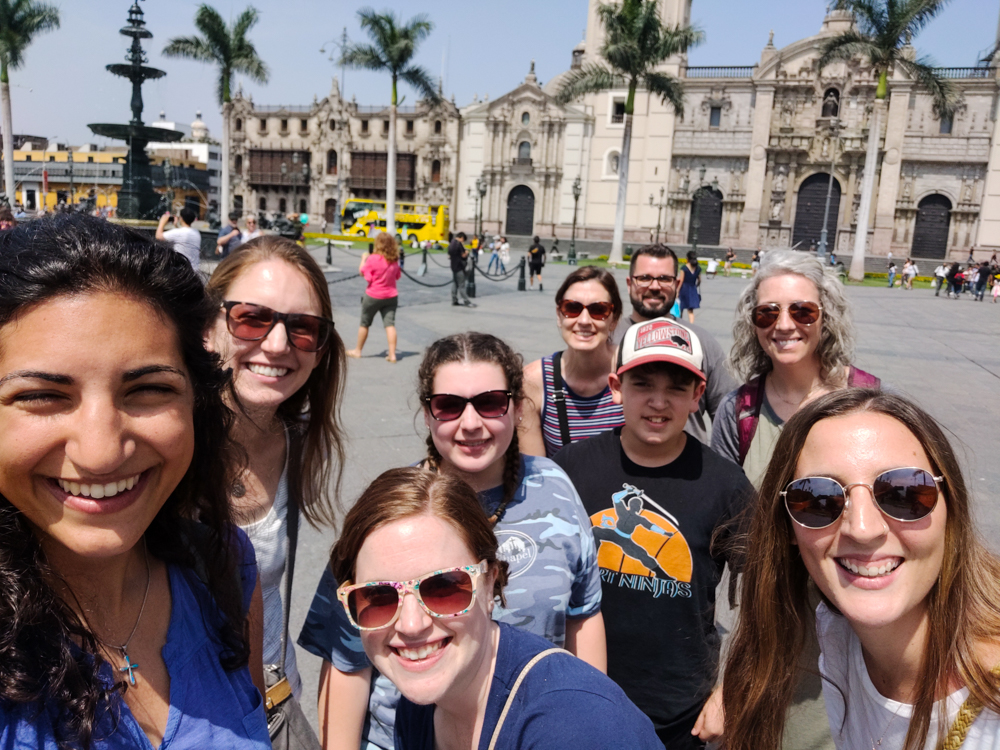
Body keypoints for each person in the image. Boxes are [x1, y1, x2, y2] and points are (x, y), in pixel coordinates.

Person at [0, 214, 270, 748]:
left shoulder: (223, 567)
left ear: (196, 399)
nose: (100, 453)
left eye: (147, 389)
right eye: (42, 396)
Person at [299, 332, 607, 750]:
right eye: (448, 405)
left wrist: (593, 718)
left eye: (490, 402)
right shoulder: (390, 508)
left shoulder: (555, 488)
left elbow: (582, 616)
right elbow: (346, 660)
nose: (471, 423)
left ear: (516, 408)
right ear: (428, 415)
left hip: (525, 732)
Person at [723, 388, 1000, 750]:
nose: (863, 529)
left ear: (952, 509)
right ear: (787, 527)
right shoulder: (836, 635)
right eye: (819, 499)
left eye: (903, 493)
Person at [329, 468, 661, 750]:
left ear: (490, 583)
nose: (412, 625)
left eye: (443, 587)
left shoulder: (574, 730)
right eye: (379, 596)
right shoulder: (421, 703)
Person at [552, 318, 754, 749]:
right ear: (615, 387)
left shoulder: (724, 483)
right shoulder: (571, 469)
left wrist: (730, 687)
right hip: (582, 696)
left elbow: (770, 593)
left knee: (646, 559)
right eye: (642, 384)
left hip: (681, 712)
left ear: (699, 395)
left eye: (677, 388)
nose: (658, 403)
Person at [203, 234, 346, 734]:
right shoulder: (160, 445)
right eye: (252, 318)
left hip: (270, 704)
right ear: (208, 328)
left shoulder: (299, 441)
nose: (279, 345)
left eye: (304, 328)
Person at [712, 249, 878, 488]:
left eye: (803, 311)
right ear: (753, 322)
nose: (784, 325)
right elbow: (725, 511)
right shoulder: (736, 411)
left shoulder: (875, 400)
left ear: (826, 316)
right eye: (767, 313)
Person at [614, 243, 735, 445]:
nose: (654, 286)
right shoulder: (608, 341)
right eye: (644, 278)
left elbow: (729, 415)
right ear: (629, 283)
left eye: (664, 279)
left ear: (677, 285)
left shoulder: (701, 341)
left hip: (688, 470)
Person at [521, 266, 624, 457]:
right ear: (559, 315)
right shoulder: (533, 381)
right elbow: (536, 473)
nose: (584, 320)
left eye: (598, 310)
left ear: (614, 319)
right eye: (572, 308)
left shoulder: (632, 371)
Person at [346, 231, 402, 362]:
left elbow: (363, 273)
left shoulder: (372, 259)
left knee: (364, 323)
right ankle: (392, 354)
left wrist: (363, 259)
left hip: (373, 295)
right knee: (390, 325)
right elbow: (397, 276)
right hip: (391, 296)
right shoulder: (394, 260)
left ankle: (358, 350)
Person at [448, 231, 475, 308]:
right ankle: (467, 301)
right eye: (463, 240)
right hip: (459, 267)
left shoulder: (451, 243)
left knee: (455, 283)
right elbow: (463, 255)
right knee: (461, 285)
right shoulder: (458, 244)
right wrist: (466, 251)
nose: (463, 242)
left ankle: (454, 300)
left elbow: (449, 255)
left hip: (453, 266)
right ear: (462, 238)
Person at [677, 250, 701, 323]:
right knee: (690, 311)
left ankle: (680, 324)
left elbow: (681, 281)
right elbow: (699, 280)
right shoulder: (698, 268)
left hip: (684, 289)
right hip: (692, 289)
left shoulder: (684, 268)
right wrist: (695, 286)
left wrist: (677, 291)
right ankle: (691, 326)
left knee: (680, 309)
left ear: (687, 258)